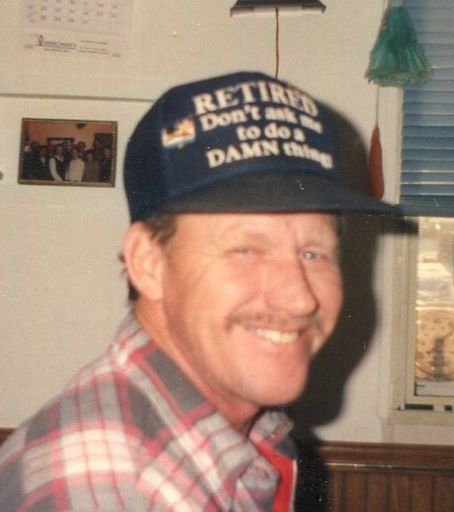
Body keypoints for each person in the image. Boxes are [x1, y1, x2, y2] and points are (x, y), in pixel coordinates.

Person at [0, 71, 399, 511]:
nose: (299, 298)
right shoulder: (111, 490)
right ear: (148, 263)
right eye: (245, 249)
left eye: (313, 253)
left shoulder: (250, 428)